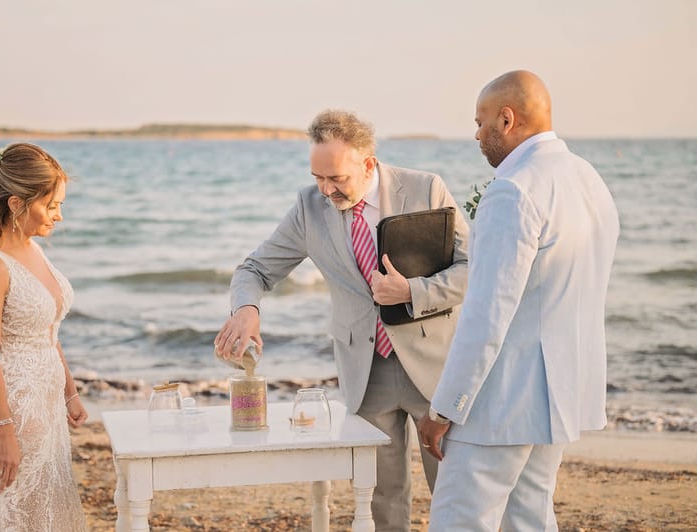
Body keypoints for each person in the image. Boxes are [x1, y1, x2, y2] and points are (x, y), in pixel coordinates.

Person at [215, 109, 469, 531]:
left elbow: (472, 267)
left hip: (437, 368)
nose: (326, 190)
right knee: (382, 500)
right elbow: (254, 268)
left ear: (368, 163)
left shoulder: (426, 189)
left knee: (455, 491)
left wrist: (412, 292)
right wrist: (247, 308)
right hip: (366, 374)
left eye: (336, 179)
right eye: (318, 177)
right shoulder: (309, 207)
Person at [417, 70, 620, 531]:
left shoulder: (514, 189)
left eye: (481, 121)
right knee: (529, 519)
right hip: (558, 393)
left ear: (507, 119)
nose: (476, 134)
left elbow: (488, 314)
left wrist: (444, 407)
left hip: (501, 400)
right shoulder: (587, 178)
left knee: (459, 520)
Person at [0, 143, 88, 531]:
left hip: (46, 408)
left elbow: (47, 330)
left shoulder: (35, 250)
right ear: (15, 203)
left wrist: (68, 390)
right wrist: (3, 432)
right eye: (51, 205)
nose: (59, 215)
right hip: (10, 412)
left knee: (46, 514)